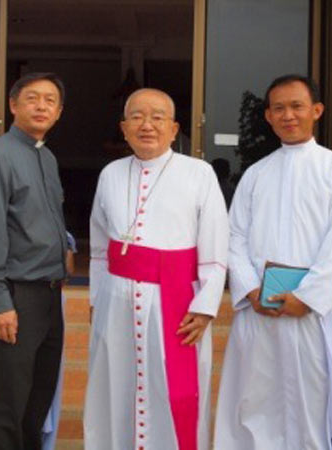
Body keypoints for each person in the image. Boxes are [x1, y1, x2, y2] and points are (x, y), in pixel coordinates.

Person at [214, 75, 332, 450]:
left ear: (316, 110)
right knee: (255, 407)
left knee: (313, 407)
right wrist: (251, 288)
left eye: (297, 106)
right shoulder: (255, 174)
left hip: (313, 316)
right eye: (278, 108)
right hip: (260, 312)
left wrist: (309, 297)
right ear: (267, 116)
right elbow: (235, 237)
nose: (288, 115)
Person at [84, 88, 229, 450]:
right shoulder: (111, 174)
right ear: (123, 127)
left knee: (174, 391)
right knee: (115, 384)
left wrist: (205, 306)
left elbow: (215, 249)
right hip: (115, 301)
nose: (147, 125)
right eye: (137, 116)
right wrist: (96, 298)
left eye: (157, 117)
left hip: (177, 301)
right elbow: (100, 249)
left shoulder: (200, 173)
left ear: (175, 127)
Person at [0, 72, 67, 450]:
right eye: (32, 98)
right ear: (13, 105)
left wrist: (65, 247)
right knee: (8, 403)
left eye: (50, 100)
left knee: (36, 400)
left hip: (48, 294)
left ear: (59, 112)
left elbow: (40, 218)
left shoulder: (47, 157)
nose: (41, 106)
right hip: (16, 295)